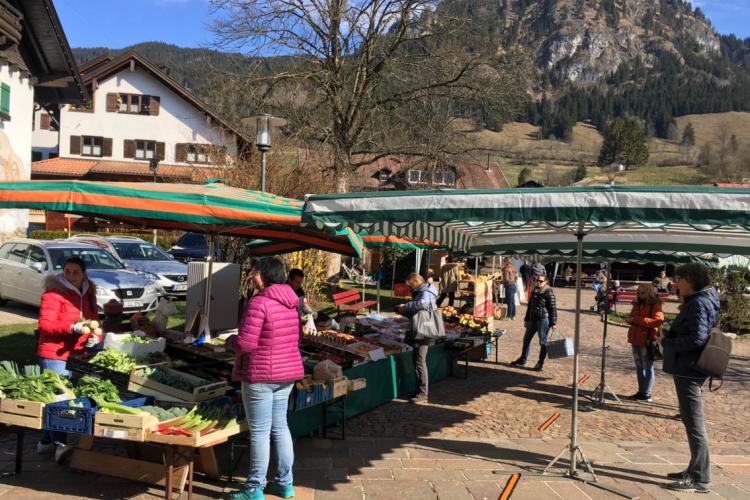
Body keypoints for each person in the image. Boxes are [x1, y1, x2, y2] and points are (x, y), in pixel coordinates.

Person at [227, 257, 304, 500]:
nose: (251, 275)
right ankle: (284, 483)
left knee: (259, 431)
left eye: (255, 272)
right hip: (287, 373)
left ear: (267, 274)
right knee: (280, 427)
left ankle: (254, 488)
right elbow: (296, 337)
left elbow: (246, 343)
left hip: (260, 374)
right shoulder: (292, 302)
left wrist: (230, 341)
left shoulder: (258, 303)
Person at [661, 263, 719, 494]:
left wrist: (666, 342)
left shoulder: (698, 303)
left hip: (689, 370)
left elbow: (697, 339)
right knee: (690, 422)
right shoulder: (703, 299)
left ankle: (700, 479)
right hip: (690, 368)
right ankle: (693, 468)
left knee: (695, 425)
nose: (675, 284)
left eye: (679, 280)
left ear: (691, 280)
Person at [36, 257, 98, 458]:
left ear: (84, 274)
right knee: (61, 400)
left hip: (77, 354)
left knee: (62, 399)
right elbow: (45, 325)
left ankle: (46, 441)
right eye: (67, 271)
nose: (70, 276)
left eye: (75, 272)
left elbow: (94, 320)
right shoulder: (53, 293)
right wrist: (71, 328)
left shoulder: (89, 293)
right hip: (54, 353)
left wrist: (94, 337)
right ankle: (60, 446)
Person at [395, 273, 443, 403]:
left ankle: (423, 394)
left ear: (416, 282)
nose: (409, 288)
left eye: (410, 285)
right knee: (417, 361)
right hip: (421, 328)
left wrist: (405, 306)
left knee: (420, 362)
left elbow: (421, 304)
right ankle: (419, 391)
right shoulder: (423, 290)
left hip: (423, 330)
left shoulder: (425, 292)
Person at [624, 283, 664, 402]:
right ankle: (641, 391)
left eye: (642, 292)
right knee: (639, 367)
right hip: (635, 339)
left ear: (649, 292)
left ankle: (647, 393)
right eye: (638, 292)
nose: (640, 295)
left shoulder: (655, 304)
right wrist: (629, 320)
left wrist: (636, 320)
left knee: (648, 367)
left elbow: (658, 321)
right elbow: (633, 316)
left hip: (647, 340)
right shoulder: (637, 304)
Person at [511, 274, 557, 371]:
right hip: (533, 319)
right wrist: (526, 319)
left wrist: (553, 322)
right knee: (526, 339)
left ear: (546, 281)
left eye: (541, 281)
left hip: (543, 320)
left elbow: (553, 308)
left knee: (543, 342)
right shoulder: (534, 290)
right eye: (537, 281)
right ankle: (523, 359)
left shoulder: (548, 291)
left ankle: (540, 363)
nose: (538, 282)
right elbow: (530, 307)